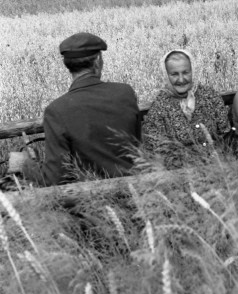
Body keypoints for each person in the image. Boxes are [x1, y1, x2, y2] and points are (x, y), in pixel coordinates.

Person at [11, 32, 141, 186]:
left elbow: (55, 179)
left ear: (67, 65)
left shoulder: (56, 110)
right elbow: (138, 148)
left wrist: (25, 165)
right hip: (139, 191)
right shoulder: (124, 92)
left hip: (93, 200)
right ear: (98, 61)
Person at [143, 49, 230, 156]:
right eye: (174, 74)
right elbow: (157, 150)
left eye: (185, 72)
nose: (181, 79)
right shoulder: (159, 108)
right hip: (182, 169)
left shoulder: (209, 96)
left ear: (192, 71)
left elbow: (225, 133)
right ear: (166, 75)